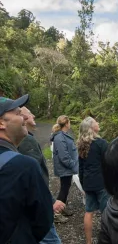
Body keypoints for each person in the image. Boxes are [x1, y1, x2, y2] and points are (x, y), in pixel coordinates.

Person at [0, 94, 53, 244]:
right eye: (18, 113)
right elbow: (43, 221)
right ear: (1, 123)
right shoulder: (24, 166)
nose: (24, 117)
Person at [18, 107, 66, 243]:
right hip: (38, 204)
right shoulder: (27, 141)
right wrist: (49, 201)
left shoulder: (28, 139)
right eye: (29, 113)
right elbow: (34, 176)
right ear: (22, 118)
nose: (33, 115)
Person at [77, 117, 110, 244]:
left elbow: (81, 167)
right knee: (106, 213)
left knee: (89, 212)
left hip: (88, 183)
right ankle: (108, 239)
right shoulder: (101, 143)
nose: (98, 123)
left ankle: (88, 242)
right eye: (96, 122)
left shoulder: (82, 144)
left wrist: (83, 185)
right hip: (101, 183)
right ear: (91, 127)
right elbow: (108, 164)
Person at [50, 115, 78, 217]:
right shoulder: (59, 137)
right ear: (66, 123)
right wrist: (74, 165)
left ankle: (62, 207)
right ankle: (57, 212)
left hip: (66, 167)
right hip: (65, 167)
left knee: (65, 187)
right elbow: (64, 157)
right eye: (69, 122)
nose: (70, 124)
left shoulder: (62, 135)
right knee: (64, 188)